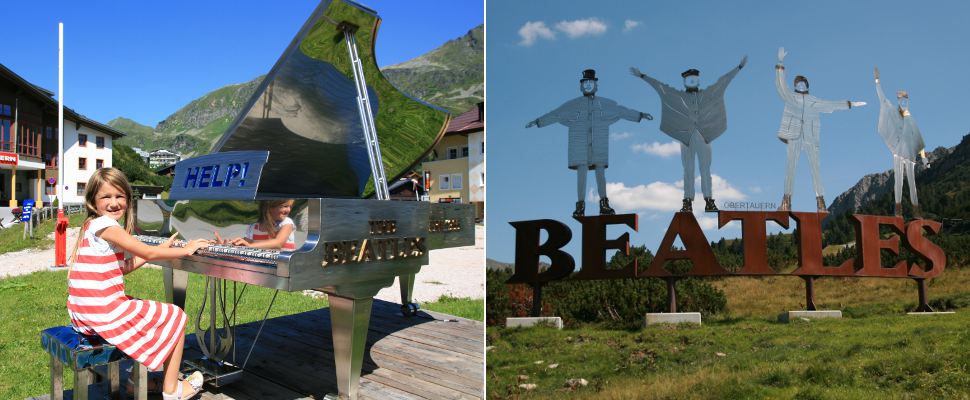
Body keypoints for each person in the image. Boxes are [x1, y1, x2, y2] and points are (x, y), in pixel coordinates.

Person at [66, 168, 209, 400]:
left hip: (83, 313)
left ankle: (135, 381)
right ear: (93, 201)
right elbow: (148, 253)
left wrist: (162, 249)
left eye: (120, 196)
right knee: (175, 315)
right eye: (106, 197)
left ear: (128, 199)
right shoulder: (106, 225)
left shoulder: (90, 225)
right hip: (101, 313)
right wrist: (187, 249)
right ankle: (172, 390)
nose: (114, 203)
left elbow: (123, 268)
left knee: (141, 308)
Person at [526, 69, 653, 217]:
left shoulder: (605, 103)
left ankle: (604, 204)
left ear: (595, 85)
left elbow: (621, 111)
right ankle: (580, 206)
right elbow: (556, 114)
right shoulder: (573, 105)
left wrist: (639, 115)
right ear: (581, 86)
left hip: (598, 144)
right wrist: (538, 121)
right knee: (582, 172)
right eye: (585, 83)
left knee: (600, 172)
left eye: (590, 82)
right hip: (579, 146)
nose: (588, 85)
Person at [630, 55, 747, 212]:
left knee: (705, 168)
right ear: (685, 82)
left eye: (694, 78)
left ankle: (708, 200)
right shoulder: (678, 96)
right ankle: (687, 201)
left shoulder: (707, 94)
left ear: (698, 80)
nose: (692, 81)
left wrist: (738, 68)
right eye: (689, 79)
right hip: (686, 137)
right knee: (688, 169)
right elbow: (660, 87)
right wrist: (643, 76)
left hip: (704, 135)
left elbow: (723, 82)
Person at [774, 47, 867, 212]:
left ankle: (821, 203)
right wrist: (780, 64)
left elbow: (832, 104)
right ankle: (786, 202)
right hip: (794, 136)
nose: (801, 85)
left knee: (816, 169)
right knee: (790, 168)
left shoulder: (815, 102)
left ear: (807, 86)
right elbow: (781, 87)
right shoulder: (791, 98)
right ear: (795, 87)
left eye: (803, 83)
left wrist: (850, 104)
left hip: (811, 137)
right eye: (798, 84)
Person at [874, 67, 929, 218]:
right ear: (898, 101)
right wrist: (877, 82)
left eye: (906, 100)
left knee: (912, 184)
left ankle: (916, 210)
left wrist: (923, 157)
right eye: (901, 100)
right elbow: (883, 99)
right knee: (898, 181)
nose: (903, 102)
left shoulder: (911, 119)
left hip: (910, 155)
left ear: (908, 101)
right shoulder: (893, 112)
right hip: (898, 152)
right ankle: (898, 209)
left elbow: (918, 138)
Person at [221, 199, 297, 249]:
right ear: (270, 207)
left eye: (290, 206)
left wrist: (250, 246)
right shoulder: (254, 228)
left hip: (283, 266)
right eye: (285, 206)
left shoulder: (286, 223)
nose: (288, 210)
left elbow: (278, 243)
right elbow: (246, 243)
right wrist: (232, 244)